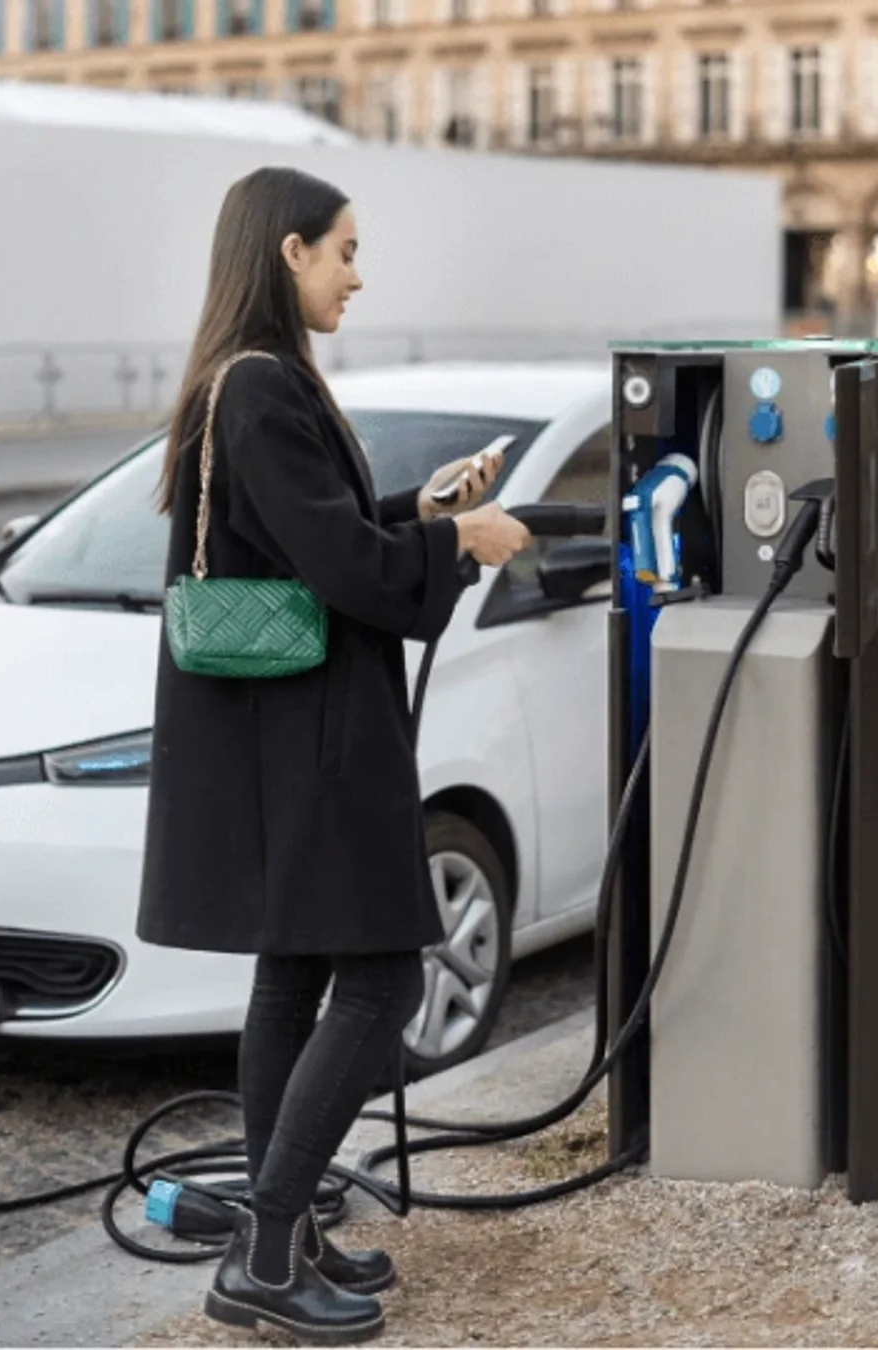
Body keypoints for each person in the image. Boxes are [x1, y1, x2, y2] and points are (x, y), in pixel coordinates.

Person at [135, 165, 531, 1345]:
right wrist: (463, 540)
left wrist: (423, 508)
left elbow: (322, 538)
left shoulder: (248, 384)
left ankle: (287, 1230)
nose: (359, 275)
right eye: (346, 252)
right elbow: (346, 573)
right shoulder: (259, 389)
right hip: (309, 746)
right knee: (381, 980)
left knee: (297, 977)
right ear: (289, 252)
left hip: (288, 742)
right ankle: (262, 1249)